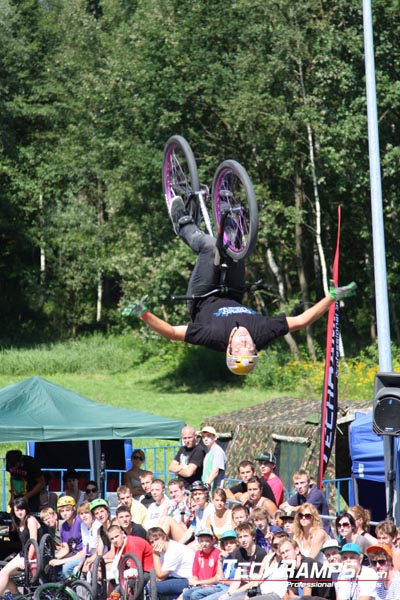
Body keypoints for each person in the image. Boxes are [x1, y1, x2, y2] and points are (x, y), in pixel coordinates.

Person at [123, 195, 357, 375]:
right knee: (237, 251)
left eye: (240, 345)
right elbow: (303, 320)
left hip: (202, 296)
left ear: (229, 348)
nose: (245, 340)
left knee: (209, 247)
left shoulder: (212, 336)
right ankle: (226, 204)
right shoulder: (263, 333)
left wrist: (145, 314)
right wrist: (332, 297)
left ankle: (182, 223)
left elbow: (172, 333)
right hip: (233, 292)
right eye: (249, 346)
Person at [0, 497, 44, 596]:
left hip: (33, 555)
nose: (20, 512)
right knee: (3, 574)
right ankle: (17, 596)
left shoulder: (30, 520)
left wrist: (27, 561)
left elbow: (33, 542)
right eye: (17, 510)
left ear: (26, 509)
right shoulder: (19, 522)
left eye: (22, 509)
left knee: (3, 574)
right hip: (23, 554)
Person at [218, 522, 266, 600]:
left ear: (253, 537)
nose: (243, 540)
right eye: (240, 537)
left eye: (246, 536)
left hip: (253, 591)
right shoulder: (240, 552)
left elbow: (253, 582)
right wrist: (228, 593)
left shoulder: (260, 553)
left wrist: (232, 593)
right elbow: (237, 580)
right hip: (240, 589)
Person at [147, 526, 195, 600]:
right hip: (178, 577)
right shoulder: (163, 550)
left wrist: (155, 555)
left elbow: (161, 576)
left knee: (153, 586)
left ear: (164, 537)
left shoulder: (173, 550)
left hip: (189, 580)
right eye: (152, 542)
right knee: (148, 582)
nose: (155, 543)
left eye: (157, 539)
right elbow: (160, 574)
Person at [279, 469, 331, 534]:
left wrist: (291, 508)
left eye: (302, 483)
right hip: (307, 532)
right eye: (296, 484)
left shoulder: (316, 494)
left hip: (323, 532)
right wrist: (288, 508)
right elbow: (281, 506)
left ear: (309, 482)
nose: (299, 486)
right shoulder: (299, 495)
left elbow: (306, 509)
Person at [104, 524, 154, 591]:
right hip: (135, 570)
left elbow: (135, 571)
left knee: (127, 583)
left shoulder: (133, 543)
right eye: (112, 539)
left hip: (148, 572)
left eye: (117, 536)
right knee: (111, 580)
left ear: (122, 533)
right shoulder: (119, 545)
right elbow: (119, 565)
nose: (115, 540)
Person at [182, 528, 223, 600]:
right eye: (201, 541)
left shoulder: (217, 554)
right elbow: (195, 574)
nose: (204, 544)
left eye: (207, 541)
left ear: (212, 541)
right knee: (186, 594)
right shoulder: (198, 554)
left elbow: (217, 578)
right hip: (200, 585)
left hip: (213, 585)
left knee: (195, 595)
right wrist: (194, 582)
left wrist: (198, 582)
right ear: (198, 541)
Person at [49, 495, 84, 579]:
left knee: (66, 569)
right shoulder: (63, 526)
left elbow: (84, 552)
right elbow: (66, 548)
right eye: (62, 511)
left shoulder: (80, 522)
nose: (64, 513)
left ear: (73, 509)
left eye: (67, 510)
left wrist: (62, 561)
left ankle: (71, 590)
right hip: (73, 553)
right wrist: (55, 558)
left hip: (83, 555)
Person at [198, 426, 226, 492]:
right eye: (203, 437)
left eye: (208, 436)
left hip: (214, 490)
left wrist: (205, 486)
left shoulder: (218, 451)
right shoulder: (209, 452)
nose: (205, 439)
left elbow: (215, 471)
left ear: (215, 437)